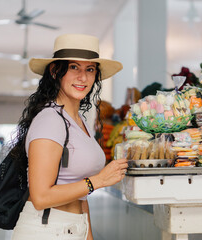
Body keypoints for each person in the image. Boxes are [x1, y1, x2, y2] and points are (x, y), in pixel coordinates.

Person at [10, 34, 128, 240]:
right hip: (46, 230)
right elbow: (40, 197)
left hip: (73, 228)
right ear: (56, 72)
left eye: (90, 69)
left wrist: (88, 235)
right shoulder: (50, 120)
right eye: (74, 67)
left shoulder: (79, 121)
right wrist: (98, 181)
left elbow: (80, 195)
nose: (83, 77)